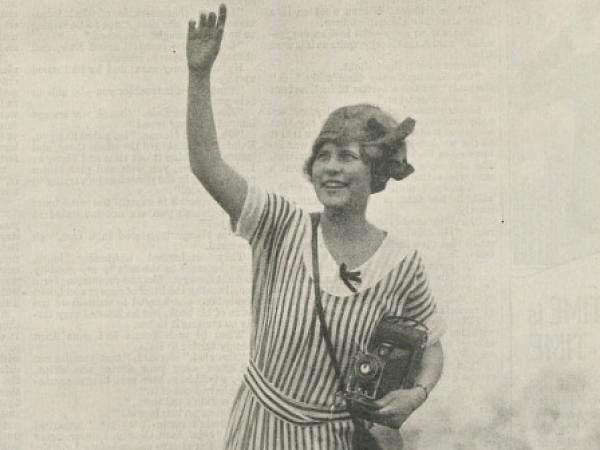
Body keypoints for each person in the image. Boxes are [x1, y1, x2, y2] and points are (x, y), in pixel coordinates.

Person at [186, 5, 445, 449]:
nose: (330, 168)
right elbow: (207, 165)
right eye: (323, 156)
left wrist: (416, 396)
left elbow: (432, 346)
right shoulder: (280, 227)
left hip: (336, 439)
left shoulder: (402, 263)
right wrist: (199, 76)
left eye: (346, 157)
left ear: (375, 171)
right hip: (259, 430)